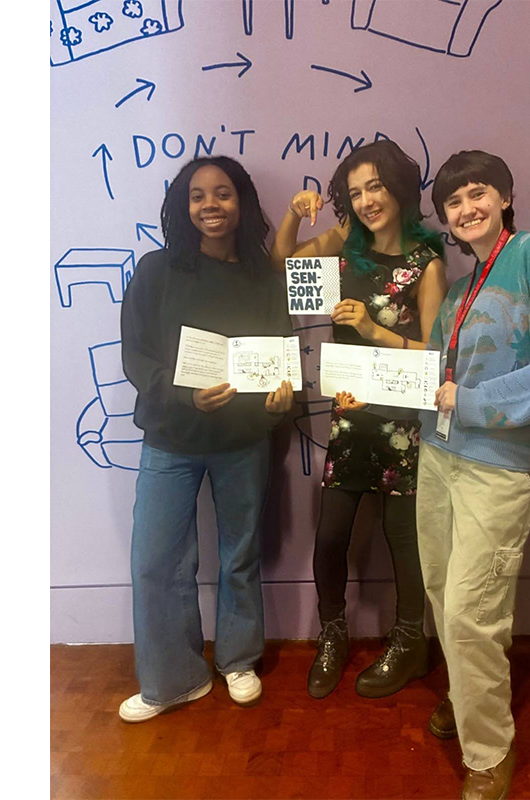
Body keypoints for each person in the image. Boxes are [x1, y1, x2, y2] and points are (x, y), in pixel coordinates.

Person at [418, 151, 530, 800]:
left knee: (472, 612)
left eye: (477, 193)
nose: (467, 209)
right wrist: (375, 390)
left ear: (506, 196)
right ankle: (469, 699)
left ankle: (489, 752)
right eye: (453, 202)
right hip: (438, 457)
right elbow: (434, 377)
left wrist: (471, 402)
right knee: (442, 594)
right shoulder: (460, 291)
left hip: (496, 469)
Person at [117, 156, 295, 722]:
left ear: (242, 202)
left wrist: (281, 397)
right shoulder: (156, 270)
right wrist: (181, 394)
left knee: (240, 553)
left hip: (244, 439)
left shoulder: (262, 277)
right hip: (171, 437)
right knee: (156, 560)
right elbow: (135, 355)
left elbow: (280, 350)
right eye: (197, 195)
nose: (210, 205)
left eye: (223, 193)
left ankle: (238, 659)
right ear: (183, 205)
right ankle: (173, 679)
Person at [270, 140, 449, 699]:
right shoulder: (344, 244)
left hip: (403, 420)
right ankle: (332, 633)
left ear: (398, 188)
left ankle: (410, 643)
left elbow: (434, 355)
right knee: (330, 537)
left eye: (375, 186)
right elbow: (283, 265)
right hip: (350, 417)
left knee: (404, 540)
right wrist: (292, 214)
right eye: (355, 192)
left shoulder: (427, 265)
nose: (367, 200)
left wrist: (373, 330)